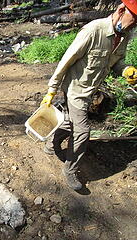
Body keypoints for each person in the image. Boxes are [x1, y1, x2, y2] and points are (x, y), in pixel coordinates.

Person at [41, 0, 137, 190]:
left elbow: (117, 62)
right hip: (76, 88)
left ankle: (51, 145)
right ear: (121, 10)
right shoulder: (93, 30)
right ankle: (70, 169)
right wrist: (52, 89)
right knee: (83, 131)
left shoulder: (123, 35)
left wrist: (125, 70)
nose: (134, 25)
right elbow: (66, 60)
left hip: (90, 90)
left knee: (70, 123)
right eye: (133, 20)